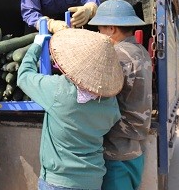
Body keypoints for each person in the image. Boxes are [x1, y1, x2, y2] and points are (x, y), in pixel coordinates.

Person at [17, 28, 123, 190]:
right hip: (93, 181)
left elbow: (23, 77)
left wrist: (36, 46)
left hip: (58, 181)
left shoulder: (59, 90)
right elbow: (114, 118)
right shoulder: (110, 101)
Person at [88, 0, 152, 190]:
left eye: (100, 30)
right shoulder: (140, 52)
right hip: (135, 145)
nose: (100, 34)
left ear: (112, 28)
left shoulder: (117, 56)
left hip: (117, 149)